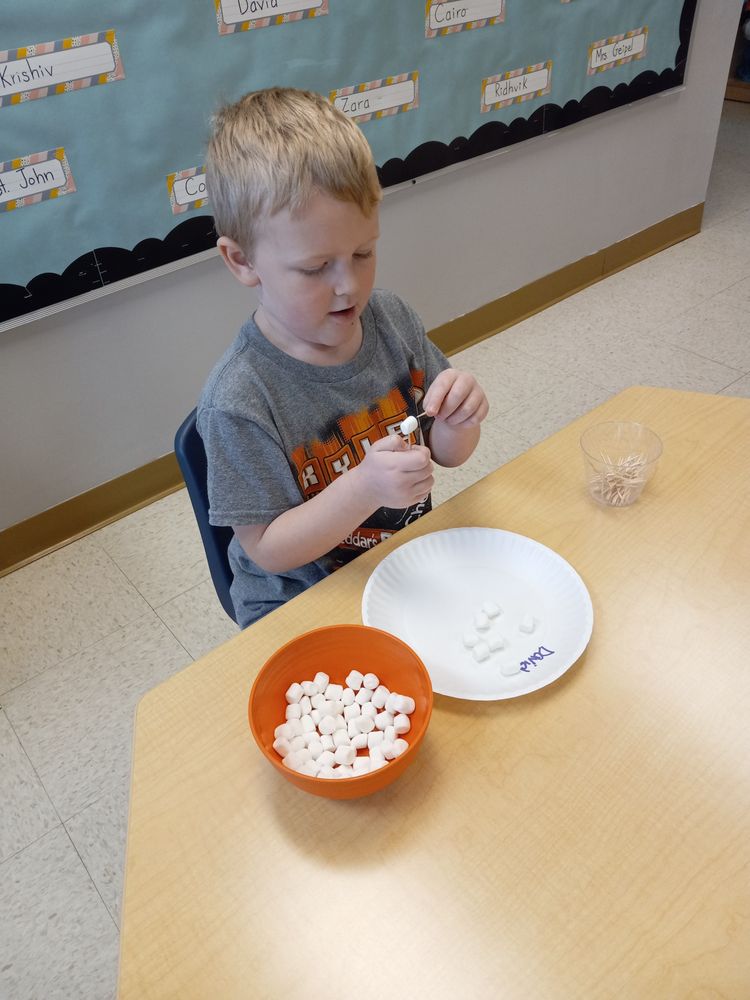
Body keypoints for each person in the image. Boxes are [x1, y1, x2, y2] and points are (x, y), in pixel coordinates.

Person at [198, 87, 489, 628]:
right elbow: (266, 550)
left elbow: (448, 454)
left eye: (363, 253)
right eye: (315, 268)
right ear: (242, 261)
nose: (348, 286)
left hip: (403, 564)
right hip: (301, 603)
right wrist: (363, 488)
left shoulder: (393, 321)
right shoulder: (239, 401)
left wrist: (460, 417)